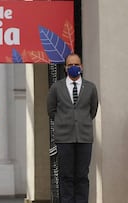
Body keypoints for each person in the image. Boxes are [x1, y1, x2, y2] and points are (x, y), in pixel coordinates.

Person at [47, 53, 99, 203]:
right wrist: (64, 121)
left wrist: (81, 121)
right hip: (64, 138)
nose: (73, 67)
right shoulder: (57, 87)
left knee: (82, 175)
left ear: (81, 67)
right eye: (70, 65)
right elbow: (51, 110)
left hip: (84, 137)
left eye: (76, 65)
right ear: (65, 68)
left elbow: (93, 110)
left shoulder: (90, 87)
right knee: (66, 176)